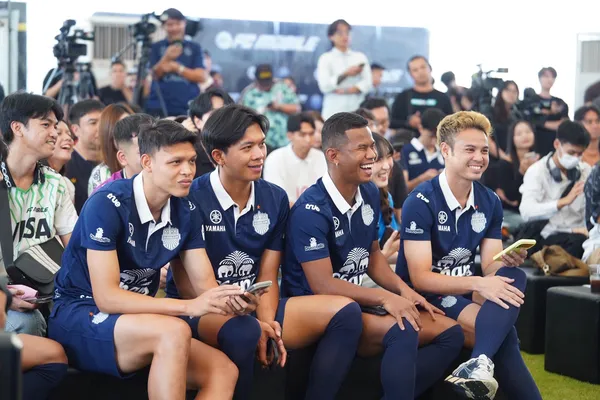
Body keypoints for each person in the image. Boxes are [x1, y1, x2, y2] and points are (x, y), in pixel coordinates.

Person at [166, 104, 364, 399]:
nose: (260, 154)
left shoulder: (275, 197)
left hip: (255, 304)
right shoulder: (189, 198)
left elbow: (268, 275)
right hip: (202, 309)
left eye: (261, 144)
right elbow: (188, 287)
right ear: (218, 156)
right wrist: (253, 323)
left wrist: (268, 321)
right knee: (244, 332)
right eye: (247, 147)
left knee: (346, 312)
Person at [48, 119, 247, 399]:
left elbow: (205, 288)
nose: (188, 171)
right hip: (81, 312)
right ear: (147, 162)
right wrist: (189, 306)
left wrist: (236, 301)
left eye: (191, 161)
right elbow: (107, 298)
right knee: (174, 331)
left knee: (223, 370)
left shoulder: (187, 209)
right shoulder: (107, 202)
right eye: (175, 162)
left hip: (141, 319)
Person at [282, 112, 465, 400]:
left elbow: (373, 255)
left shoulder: (368, 191)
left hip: (358, 301)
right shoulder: (311, 209)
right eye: (362, 148)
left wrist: (404, 291)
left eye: (372, 147)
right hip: (321, 308)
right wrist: (384, 297)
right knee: (404, 329)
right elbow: (322, 285)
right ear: (333, 155)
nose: (372, 155)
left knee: (451, 334)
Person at [396, 111, 541, 400]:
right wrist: (478, 283)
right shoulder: (420, 201)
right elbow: (420, 278)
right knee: (505, 335)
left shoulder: (489, 200)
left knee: (513, 275)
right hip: (424, 295)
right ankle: (480, 363)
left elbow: (490, 267)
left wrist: (505, 262)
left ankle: (478, 364)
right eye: (470, 149)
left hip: (463, 291)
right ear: (446, 150)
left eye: (484, 150)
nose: (479, 157)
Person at [0, 93, 78, 336]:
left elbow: (76, 248)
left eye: (56, 125)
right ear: (17, 128)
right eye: (46, 125)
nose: (55, 133)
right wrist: (4, 296)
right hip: (4, 292)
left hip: (43, 288)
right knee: (28, 322)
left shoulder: (56, 184)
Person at [519, 120, 591, 258]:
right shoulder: (537, 171)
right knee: (577, 243)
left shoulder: (585, 171)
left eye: (580, 154)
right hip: (549, 236)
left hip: (582, 233)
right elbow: (526, 211)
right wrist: (562, 202)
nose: (576, 158)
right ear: (557, 144)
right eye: (571, 152)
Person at [147, 8, 207, 117]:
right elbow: (154, 75)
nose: (174, 28)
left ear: (184, 23)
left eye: (178, 24)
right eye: (170, 24)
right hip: (159, 106)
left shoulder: (194, 47)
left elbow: (201, 76)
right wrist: (166, 58)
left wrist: (177, 68)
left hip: (187, 106)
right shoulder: (156, 47)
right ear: (164, 26)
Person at [263, 112, 327, 205]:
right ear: (290, 136)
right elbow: (276, 199)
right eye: (302, 134)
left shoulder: (322, 158)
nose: (308, 139)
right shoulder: (275, 159)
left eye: (311, 134)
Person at [486, 120, 538, 230]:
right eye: (519, 134)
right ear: (512, 139)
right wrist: (521, 173)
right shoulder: (505, 164)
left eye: (528, 132)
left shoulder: (540, 162)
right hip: (510, 213)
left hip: (534, 210)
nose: (524, 136)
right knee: (530, 226)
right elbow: (511, 198)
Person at [316, 19, 372, 119]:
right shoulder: (325, 58)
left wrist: (347, 90)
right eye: (340, 33)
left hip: (357, 108)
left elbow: (368, 83)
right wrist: (346, 74)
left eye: (347, 32)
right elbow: (324, 86)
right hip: (333, 111)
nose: (345, 36)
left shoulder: (360, 57)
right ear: (331, 36)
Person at [239, 64, 301, 151]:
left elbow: (297, 108)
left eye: (268, 82)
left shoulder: (283, 88)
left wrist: (279, 107)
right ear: (256, 79)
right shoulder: (249, 93)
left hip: (284, 141)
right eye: (263, 82)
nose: (266, 85)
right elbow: (242, 118)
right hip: (260, 142)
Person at [91, 113, 152, 194]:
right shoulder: (105, 195)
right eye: (143, 151)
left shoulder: (167, 183)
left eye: (157, 151)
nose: (154, 158)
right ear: (123, 158)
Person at [390, 56, 452, 134]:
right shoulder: (402, 97)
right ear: (410, 74)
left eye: (423, 67)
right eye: (415, 70)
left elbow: (451, 124)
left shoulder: (443, 97)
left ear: (430, 68)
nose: (420, 72)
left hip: (437, 139)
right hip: (409, 139)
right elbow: (392, 122)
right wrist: (408, 122)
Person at [65, 99, 105, 214]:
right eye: (93, 123)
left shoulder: (116, 160)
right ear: (75, 130)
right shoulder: (65, 164)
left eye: (103, 122)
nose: (100, 128)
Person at [186, 88, 235, 178]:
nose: (222, 119)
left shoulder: (242, 148)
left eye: (227, 113)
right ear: (198, 122)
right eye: (215, 114)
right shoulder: (188, 156)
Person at [88, 103, 132, 196]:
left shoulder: (147, 163)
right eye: (122, 129)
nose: (131, 133)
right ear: (110, 135)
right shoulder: (102, 173)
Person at [371, 134, 401, 264]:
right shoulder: (351, 203)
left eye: (389, 157)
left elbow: (389, 254)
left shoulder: (386, 196)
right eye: (378, 160)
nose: (387, 166)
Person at [526, 67, 569, 157]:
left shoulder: (560, 103)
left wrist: (541, 123)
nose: (549, 79)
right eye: (546, 76)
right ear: (540, 78)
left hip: (555, 145)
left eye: (552, 77)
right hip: (536, 144)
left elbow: (564, 124)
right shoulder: (531, 101)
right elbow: (530, 121)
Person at [401, 108, 446, 192]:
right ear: (420, 128)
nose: (434, 141)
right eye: (431, 136)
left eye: (438, 137)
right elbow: (401, 189)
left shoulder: (445, 152)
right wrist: (422, 179)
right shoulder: (405, 151)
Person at [46, 120, 76, 204]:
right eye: (58, 133)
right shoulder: (32, 181)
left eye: (69, 134)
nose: (68, 138)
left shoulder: (68, 185)